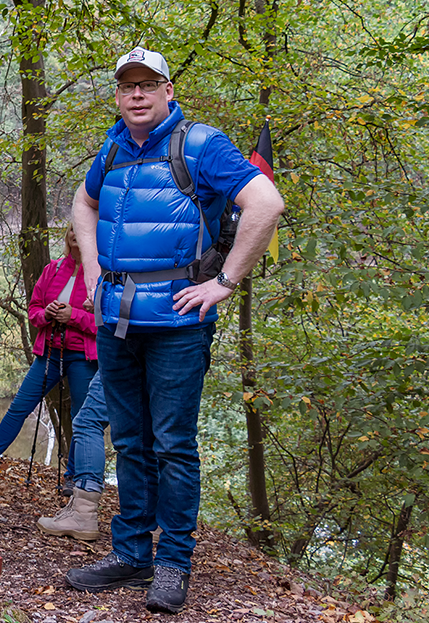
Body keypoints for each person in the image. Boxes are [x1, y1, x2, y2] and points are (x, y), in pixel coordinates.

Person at [65, 47, 284, 614]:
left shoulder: (201, 144)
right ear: (117, 94)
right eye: (126, 86)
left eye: (146, 85)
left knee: (174, 445)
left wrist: (225, 283)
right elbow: (82, 204)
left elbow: (265, 202)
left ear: (166, 90)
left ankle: (173, 565)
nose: (135, 95)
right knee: (131, 441)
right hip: (117, 319)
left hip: (179, 321)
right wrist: (91, 269)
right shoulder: (112, 146)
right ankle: (133, 553)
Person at [0, 225, 98, 487]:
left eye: (83, 229)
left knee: (81, 417)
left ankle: (73, 477)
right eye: (73, 229)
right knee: (19, 407)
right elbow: (34, 311)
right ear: (67, 235)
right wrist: (48, 314)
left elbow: (105, 321)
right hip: (50, 353)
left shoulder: (101, 275)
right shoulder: (52, 269)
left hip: (82, 356)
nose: (77, 233)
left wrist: (73, 316)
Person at [36, 370, 109, 540]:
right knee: (151, 427)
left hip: (126, 348)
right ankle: (157, 522)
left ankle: (84, 514)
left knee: (88, 421)